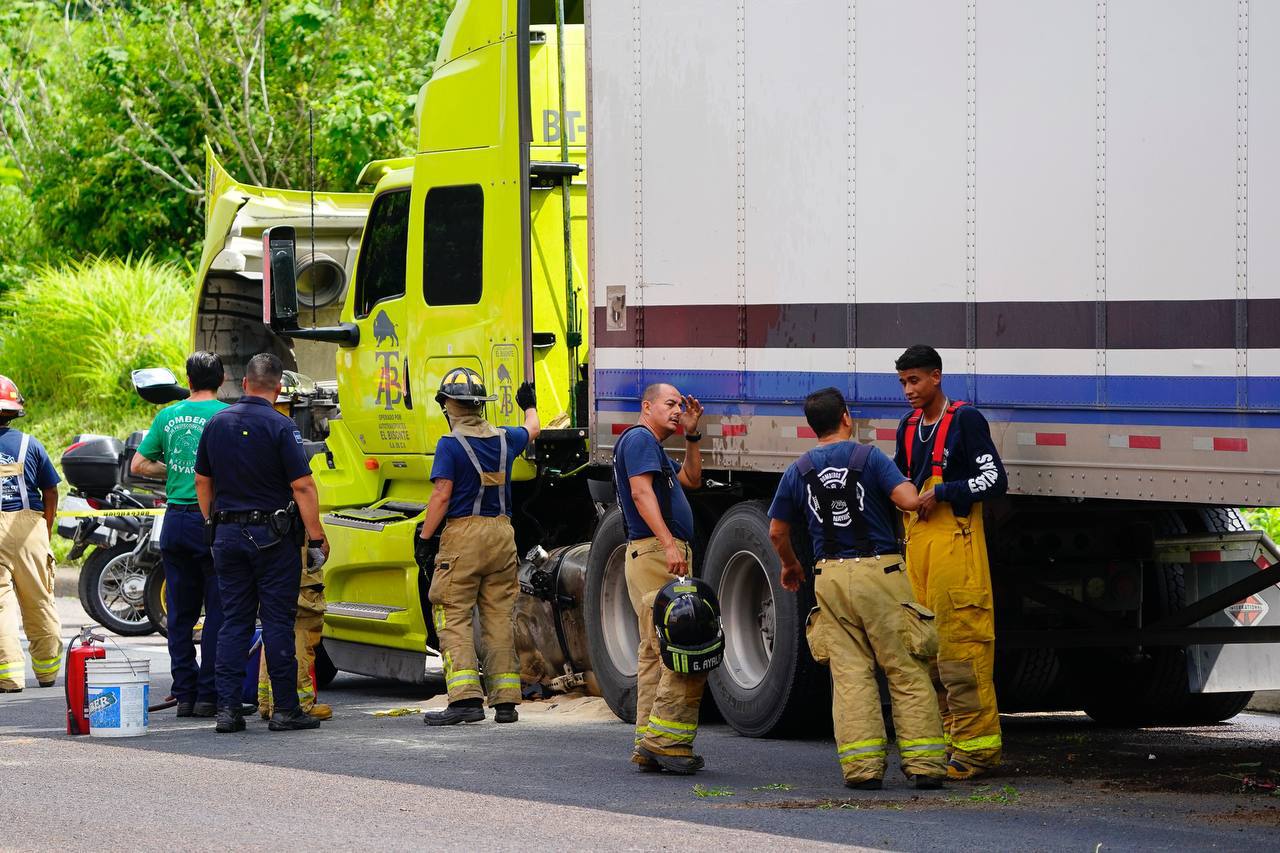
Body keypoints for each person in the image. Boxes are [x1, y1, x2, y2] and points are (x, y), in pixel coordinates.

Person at [767, 387, 946, 790]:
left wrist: (791, 565)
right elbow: (908, 500)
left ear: (812, 427)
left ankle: (862, 769)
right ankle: (925, 766)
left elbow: (777, 531)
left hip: (829, 578)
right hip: (879, 573)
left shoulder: (798, 470)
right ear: (846, 417)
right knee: (905, 667)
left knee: (849, 674)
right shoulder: (870, 458)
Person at [194, 353, 328, 734]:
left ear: (245, 384)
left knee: (233, 622)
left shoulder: (217, 424)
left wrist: (211, 520)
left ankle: (228, 712)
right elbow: (302, 485)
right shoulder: (281, 427)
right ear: (278, 388)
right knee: (277, 623)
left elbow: (203, 481)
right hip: (273, 540)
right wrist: (316, 535)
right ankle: (285, 710)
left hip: (226, 536)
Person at [893, 344, 1008, 780]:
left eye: (915, 380)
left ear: (936, 377)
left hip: (958, 551)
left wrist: (941, 492)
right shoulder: (907, 427)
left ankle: (977, 751)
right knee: (927, 651)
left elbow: (994, 479)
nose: (908, 390)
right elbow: (899, 476)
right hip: (918, 550)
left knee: (964, 652)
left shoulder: (965, 420)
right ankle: (944, 743)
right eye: (903, 382)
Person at [417, 367, 539, 726]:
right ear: (479, 404)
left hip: (464, 536)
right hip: (503, 535)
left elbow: (442, 495)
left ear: (448, 404)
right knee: (499, 617)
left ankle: (465, 700)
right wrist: (529, 405)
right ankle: (505, 703)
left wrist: (425, 538)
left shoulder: (450, 445)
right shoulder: (504, 439)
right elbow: (533, 429)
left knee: (452, 613)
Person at [613, 383, 705, 774]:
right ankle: (668, 743)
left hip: (653, 553)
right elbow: (640, 493)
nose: (676, 410)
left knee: (654, 650)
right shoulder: (639, 440)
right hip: (655, 553)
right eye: (669, 405)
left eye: (680, 406)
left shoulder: (653, 448)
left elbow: (692, 480)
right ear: (646, 406)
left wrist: (693, 434)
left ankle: (648, 742)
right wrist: (669, 544)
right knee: (683, 643)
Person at [132, 351, 228, 717]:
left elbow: (139, 464)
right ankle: (208, 695)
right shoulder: (225, 415)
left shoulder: (167, 416)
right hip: (212, 521)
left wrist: (175, 468)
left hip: (175, 521)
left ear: (188, 381)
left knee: (180, 616)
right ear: (221, 380)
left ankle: (184, 694)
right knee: (218, 613)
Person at [0, 376, 62, 692]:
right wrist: (44, 529)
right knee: (39, 600)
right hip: (30, 529)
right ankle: (48, 672)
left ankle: (9, 677)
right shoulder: (30, 444)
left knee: (0, 608)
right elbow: (50, 491)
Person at [255, 556, 330, 722]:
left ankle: (267, 703)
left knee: (275, 631)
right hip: (294, 562)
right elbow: (316, 537)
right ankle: (301, 704)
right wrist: (319, 542)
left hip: (263, 556)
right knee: (300, 631)